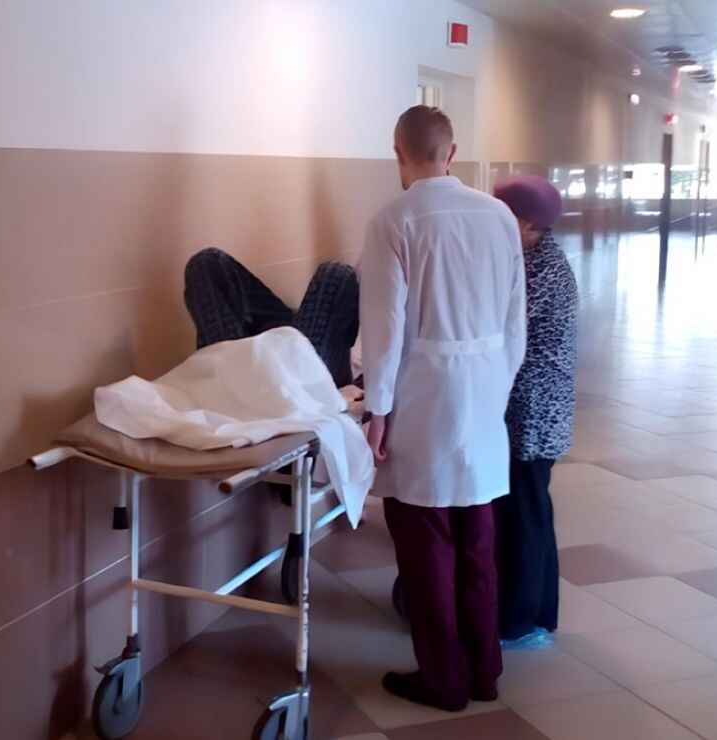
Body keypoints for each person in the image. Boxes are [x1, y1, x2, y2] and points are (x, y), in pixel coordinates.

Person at [359, 105, 526, 712]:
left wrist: (377, 410)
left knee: (426, 543)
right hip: (485, 390)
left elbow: (384, 329)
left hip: (424, 396)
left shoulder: (394, 220)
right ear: (452, 153)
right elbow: (515, 318)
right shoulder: (499, 216)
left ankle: (443, 680)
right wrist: (497, 387)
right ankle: (484, 670)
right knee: (477, 539)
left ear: (397, 152)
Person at [491, 175, 578, 650]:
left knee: (524, 514)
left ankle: (516, 617)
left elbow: (499, 327)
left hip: (533, 412)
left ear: (525, 224)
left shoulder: (538, 270)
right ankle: (534, 611)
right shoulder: (537, 258)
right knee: (532, 510)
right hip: (537, 408)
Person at [183, 248, 359, 387]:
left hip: (292, 371)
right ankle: (236, 375)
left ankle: (236, 380)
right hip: (280, 352)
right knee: (207, 262)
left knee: (336, 273)